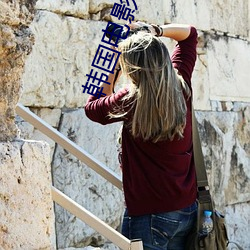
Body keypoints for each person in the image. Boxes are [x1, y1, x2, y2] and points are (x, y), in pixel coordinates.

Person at [85, 21, 198, 250]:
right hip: (186, 209)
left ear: (131, 69)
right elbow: (189, 35)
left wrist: (114, 65)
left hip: (149, 216)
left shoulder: (130, 100)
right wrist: (155, 30)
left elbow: (92, 108)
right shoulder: (182, 85)